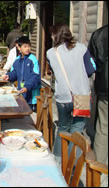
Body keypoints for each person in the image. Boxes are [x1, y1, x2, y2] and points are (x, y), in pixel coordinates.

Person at [46, 23, 96, 163]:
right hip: (82, 96)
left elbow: (55, 72)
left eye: (52, 33)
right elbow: (91, 69)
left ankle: (57, 161)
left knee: (62, 129)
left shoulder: (50, 53)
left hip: (63, 98)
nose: (51, 36)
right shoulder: (82, 48)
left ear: (56, 34)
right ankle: (70, 166)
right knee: (76, 132)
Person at [3, 36, 41, 112]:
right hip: (21, 93)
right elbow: (14, 73)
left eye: (29, 46)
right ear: (19, 48)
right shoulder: (17, 60)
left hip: (32, 96)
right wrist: (9, 76)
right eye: (25, 46)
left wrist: (27, 87)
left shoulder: (33, 59)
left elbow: (36, 77)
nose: (28, 48)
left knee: (30, 116)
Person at [88, 24, 108, 164]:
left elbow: (90, 65)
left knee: (103, 129)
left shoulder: (98, 34)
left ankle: (99, 174)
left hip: (104, 87)